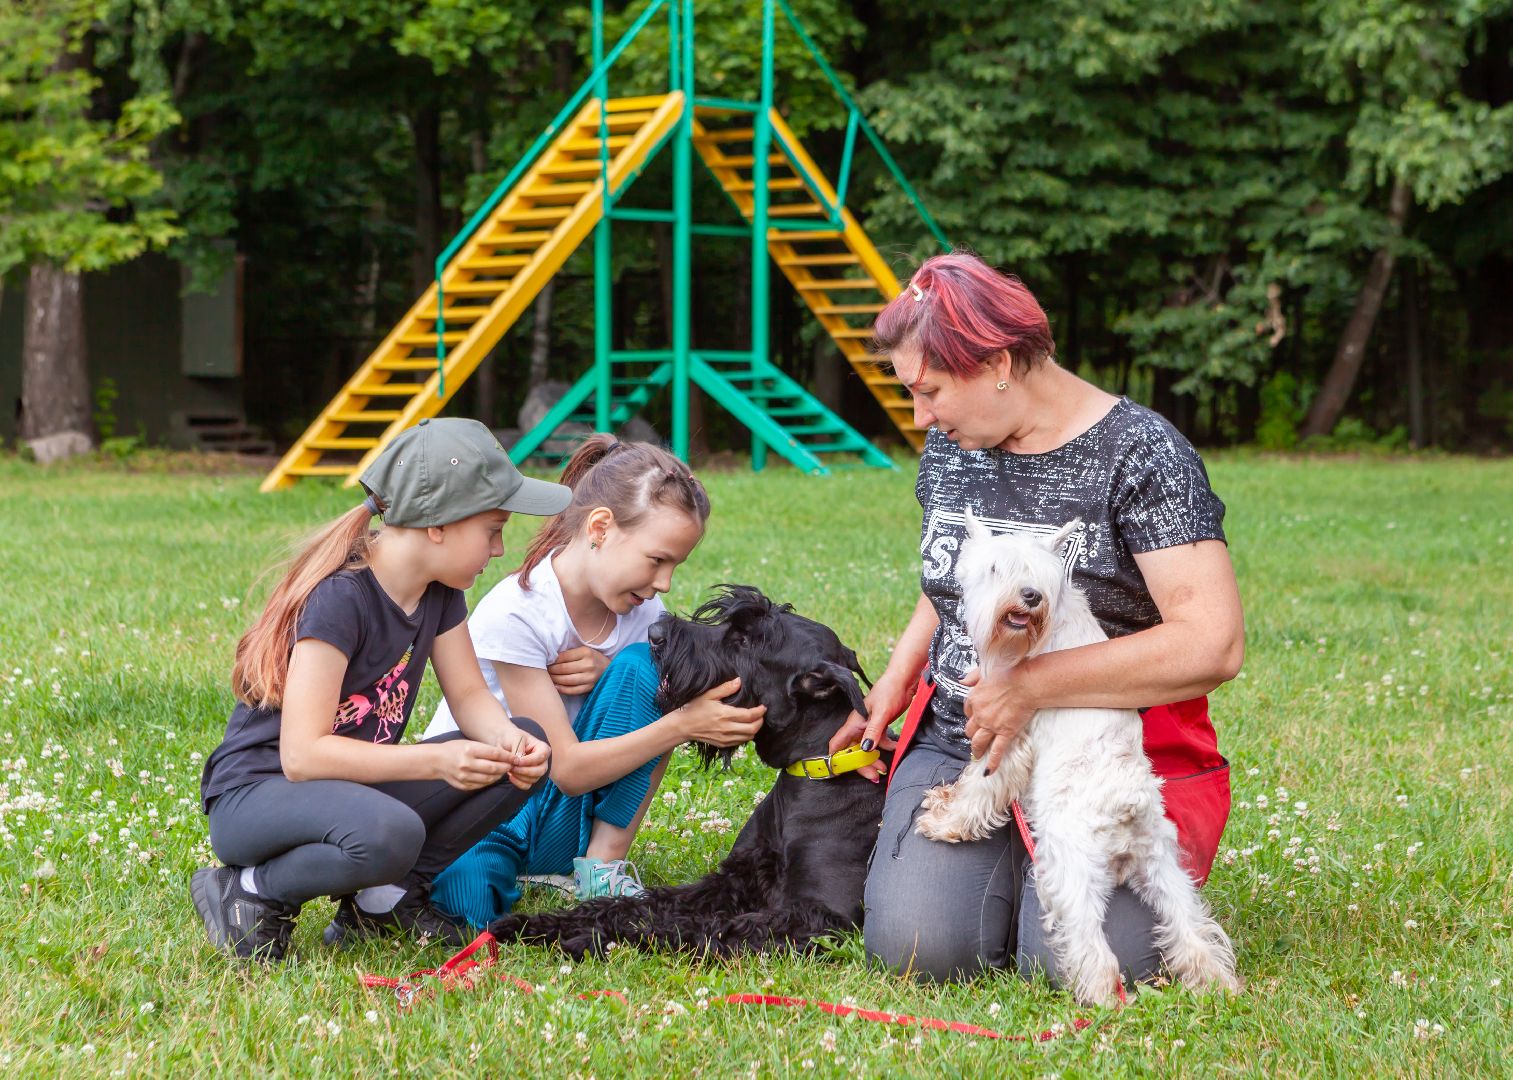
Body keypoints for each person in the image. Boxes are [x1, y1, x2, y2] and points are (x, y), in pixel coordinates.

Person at [834, 251, 1244, 987]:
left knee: (1068, 965)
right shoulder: (954, 448)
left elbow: (1211, 643)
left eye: (929, 392)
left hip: (1104, 747)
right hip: (969, 738)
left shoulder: (1143, 453)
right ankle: (996, 861)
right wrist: (894, 679)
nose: (920, 416)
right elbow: (949, 583)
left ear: (995, 361)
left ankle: (1038, 875)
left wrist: (1032, 686)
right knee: (922, 947)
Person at [192, 418, 560, 962]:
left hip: (342, 789)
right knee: (390, 833)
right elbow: (301, 755)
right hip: (256, 798)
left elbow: (472, 700)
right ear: (438, 523)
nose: (500, 549)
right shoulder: (341, 598)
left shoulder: (440, 593)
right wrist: (435, 763)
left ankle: (381, 902)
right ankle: (249, 892)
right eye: (493, 529)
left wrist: (513, 744)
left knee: (519, 745)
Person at [423, 434, 766, 928]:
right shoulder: (519, 610)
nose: (664, 582)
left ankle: (602, 866)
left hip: (561, 816)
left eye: (675, 566)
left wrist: (614, 678)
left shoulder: (645, 611)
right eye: (657, 560)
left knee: (647, 667)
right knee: (464, 903)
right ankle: (490, 873)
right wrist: (684, 724)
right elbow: (566, 769)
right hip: (488, 803)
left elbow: (630, 705)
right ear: (600, 528)